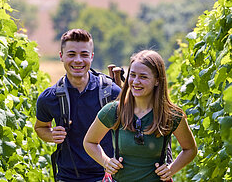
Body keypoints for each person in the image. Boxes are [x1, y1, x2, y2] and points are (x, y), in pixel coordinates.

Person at [83, 50, 197, 181]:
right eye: (133, 75)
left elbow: (190, 149)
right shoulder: (113, 111)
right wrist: (106, 162)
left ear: (157, 81)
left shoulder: (171, 115)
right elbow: (89, 142)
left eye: (143, 77)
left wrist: (171, 169)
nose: (136, 81)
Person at [35, 29, 121, 182]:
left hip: (106, 177)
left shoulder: (111, 92)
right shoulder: (49, 97)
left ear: (92, 57)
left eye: (84, 54)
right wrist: (51, 135)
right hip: (67, 177)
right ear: (61, 56)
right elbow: (40, 127)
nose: (78, 60)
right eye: (72, 54)